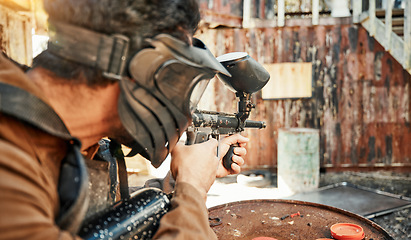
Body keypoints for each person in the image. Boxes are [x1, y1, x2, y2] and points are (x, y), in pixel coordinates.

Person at [0, 0, 249, 239]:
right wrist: (191, 188)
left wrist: (174, 185)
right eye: (171, 74)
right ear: (142, 70)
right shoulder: (8, 158)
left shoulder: (58, 138)